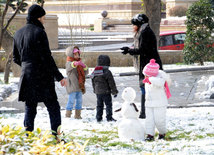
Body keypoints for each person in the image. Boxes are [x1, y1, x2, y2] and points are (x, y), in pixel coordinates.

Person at [13, 4, 66, 136]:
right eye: (43, 17)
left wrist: (27, 66)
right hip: (42, 77)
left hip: (27, 75)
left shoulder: (18, 33)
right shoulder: (39, 32)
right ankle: (56, 135)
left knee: (30, 107)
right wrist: (59, 77)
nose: (44, 20)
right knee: (53, 106)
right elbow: (47, 58)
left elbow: (15, 58)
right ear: (38, 17)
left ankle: (28, 135)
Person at [120, 13, 163, 119]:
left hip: (149, 67)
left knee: (146, 87)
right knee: (147, 88)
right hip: (149, 64)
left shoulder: (145, 33)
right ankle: (146, 111)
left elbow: (143, 49)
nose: (133, 27)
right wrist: (130, 49)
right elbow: (142, 48)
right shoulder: (145, 31)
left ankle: (145, 112)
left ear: (139, 24)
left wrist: (129, 50)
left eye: (134, 25)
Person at [142, 59, 171, 141]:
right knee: (149, 120)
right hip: (149, 103)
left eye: (146, 75)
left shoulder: (160, 78)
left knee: (159, 120)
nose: (145, 77)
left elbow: (160, 83)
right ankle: (150, 134)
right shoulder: (148, 80)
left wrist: (150, 79)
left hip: (159, 104)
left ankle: (162, 133)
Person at [91, 55, 118, 122]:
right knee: (108, 105)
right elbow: (111, 83)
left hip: (98, 92)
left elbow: (93, 81)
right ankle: (109, 117)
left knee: (99, 105)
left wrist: (95, 89)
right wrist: (114, 91)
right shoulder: (107, 72)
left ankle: (98, 118)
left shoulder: (95, 71)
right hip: (106, 92)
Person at [65, 46, 88, 119]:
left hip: (80, 86)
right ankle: (68, 114)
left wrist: (84, 67)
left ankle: (77, 115)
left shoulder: (80, 63)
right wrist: (74, 64)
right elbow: (69, 67)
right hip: (72, 86)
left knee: (79, 101)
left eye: (78, 54)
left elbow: (86, 73)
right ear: (71, 55)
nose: (77, 56)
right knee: (71, 100)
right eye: (75, 54)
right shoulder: (69, 62)